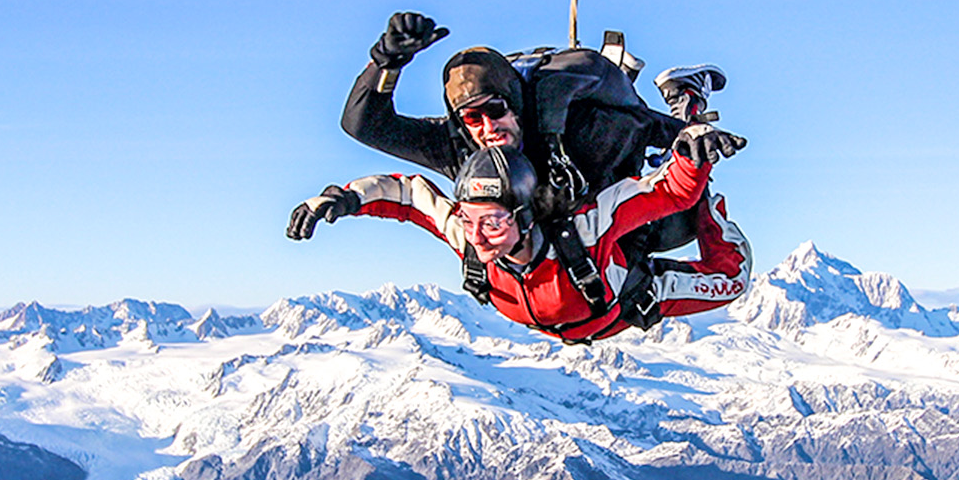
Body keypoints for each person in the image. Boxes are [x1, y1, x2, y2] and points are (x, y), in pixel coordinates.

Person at [287, 128, 750, 344]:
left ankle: (690, 128)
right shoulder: (469, 238)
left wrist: (694, 161)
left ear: (526, 217)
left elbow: (662, 193)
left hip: (627, 303)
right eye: (469, 221)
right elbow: (407, 196)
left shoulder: (584, 232)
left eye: (493, 222)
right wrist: (341, 200)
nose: (479, 238)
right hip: (578, 319)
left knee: (734, 281)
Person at [339, 12, 735, 251]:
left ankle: (684, 93)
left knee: (679, 223)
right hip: (557, 235)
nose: (488, 129)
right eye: (472, 120)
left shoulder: (580, 130)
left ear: (516, 104)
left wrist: (692, 132)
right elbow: (364, 125)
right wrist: (387, 63)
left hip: (610, 176)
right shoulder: (458, 147)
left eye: (496, 112)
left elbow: (648, 126)